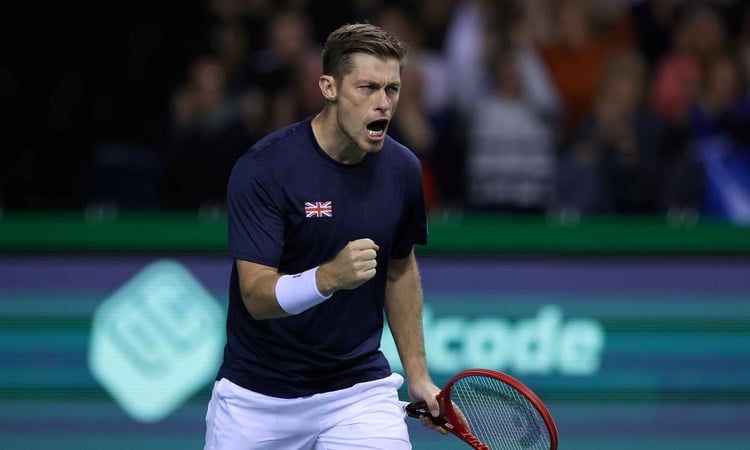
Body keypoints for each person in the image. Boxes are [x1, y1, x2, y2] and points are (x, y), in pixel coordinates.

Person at [204, 23, 443, 449]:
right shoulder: (264, 170)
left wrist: (418, 374)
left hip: (358, 393)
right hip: (257, 400)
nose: (383, 104)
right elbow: (256, 297)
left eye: (392, 89)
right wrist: (328, 277)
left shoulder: (403, 169)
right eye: (368, 88)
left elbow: (400, 268)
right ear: (328, 87)